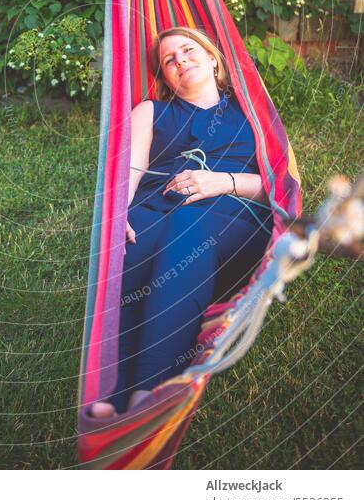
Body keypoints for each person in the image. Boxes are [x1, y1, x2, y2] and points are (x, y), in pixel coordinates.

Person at [91, 26, 274, 418]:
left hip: (231, 212)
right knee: (133, 245)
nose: (180, 61)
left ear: (213, 58)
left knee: (188, 228)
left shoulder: (252, 111)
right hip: (157, 205)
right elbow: (130, 170)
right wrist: (118, 216)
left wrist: (220, 182)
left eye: (188, 51)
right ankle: (111, 395)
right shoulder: (152, 110)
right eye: (169, 60)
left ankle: (149, 392)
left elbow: (279, 186)